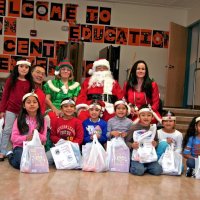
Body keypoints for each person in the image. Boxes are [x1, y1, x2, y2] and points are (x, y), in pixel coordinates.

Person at [0, 59, 34, 161]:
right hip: (10, 109)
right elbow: (5, 96)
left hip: (22, 111)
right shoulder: (11, 80)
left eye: (26, 67)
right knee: (7, 130)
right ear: (17, 68)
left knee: (22, 131)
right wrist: (2, 110)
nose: (24, 69)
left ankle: (20, 150)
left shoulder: (29, 83)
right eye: (21, 66)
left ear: (29, 69)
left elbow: (29, 98)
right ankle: (2, 151)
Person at [7, 92, 47, 169]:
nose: (32, 104)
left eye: (34, 102)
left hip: (36, 148)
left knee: (37, 165)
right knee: (21, 163)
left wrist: (36, 135)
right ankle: (10, 155)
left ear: (38, 105)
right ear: (24, 106)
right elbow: (13, 138)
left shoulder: (42, 120)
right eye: (28, 102)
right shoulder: (19, 119)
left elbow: (44, 138)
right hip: (21, 147)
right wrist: (26, 138)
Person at [43, 58, 81, 130]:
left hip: (69, 109)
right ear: (59, 71)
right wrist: (55, 110)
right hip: (54, 109)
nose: (66, 71)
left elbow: (76, 100)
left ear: (71, 72)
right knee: (50, 119)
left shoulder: (75, 85)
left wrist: (70, 111)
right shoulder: (52, 83)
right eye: (63, 69)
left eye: (68, 70)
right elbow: (47, 99)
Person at [125, 105, 163, 176]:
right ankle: (138, 167)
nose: (146, 117)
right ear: (139, 117)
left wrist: (155, 143)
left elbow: (156, 140)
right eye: (143, 115)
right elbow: (126, 141)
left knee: (158, 170)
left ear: (152, 117)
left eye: (149, 115)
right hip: (137, 156)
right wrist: (132, 145)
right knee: (139, 171)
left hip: (149, 155)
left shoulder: (153, 128)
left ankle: (145, 167)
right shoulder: (134, 128)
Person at [46, 98, 84, 165]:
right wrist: (61, 141)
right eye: (65, 106)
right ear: (61, 109)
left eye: (71, 106)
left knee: (75, 164)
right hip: (58, 147)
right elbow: (52, 136)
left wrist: (69, 144)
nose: (69, 108)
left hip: (72, 148)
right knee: (45, 159)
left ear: (75, 109)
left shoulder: (78, 122)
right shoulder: (56, 121)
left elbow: (79, 138)